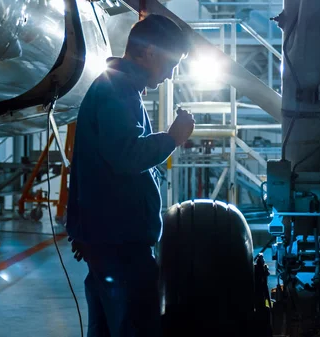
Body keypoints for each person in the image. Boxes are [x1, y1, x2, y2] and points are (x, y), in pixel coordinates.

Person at [65, 14, 195, 337]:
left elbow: (88, 166)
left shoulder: (116, 87)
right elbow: (126, 155)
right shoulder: (118, 90)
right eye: (171, 63)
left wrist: (83, 230)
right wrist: (172, 138)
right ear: (149, 52)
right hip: (120, 249)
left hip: (109, 243)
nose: (170, 75)